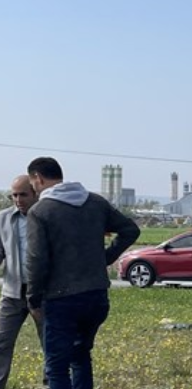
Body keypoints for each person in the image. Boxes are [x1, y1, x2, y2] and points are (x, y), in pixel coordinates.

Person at [25, 157, 140, 389]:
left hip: (61, 298)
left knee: (56, 367)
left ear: (38, 178)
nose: (34, 189)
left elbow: (36, 259)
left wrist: (33, 297)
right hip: (96, 295)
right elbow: (130, 229)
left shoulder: (40, 211)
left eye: (33, 183)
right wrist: (104, 258)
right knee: (80, 357)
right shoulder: (96, 202)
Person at [0, 175, 44, 388]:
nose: (18, 199)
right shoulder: (4, 219)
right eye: (14, 195)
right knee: (1, 341)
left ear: (35, 193)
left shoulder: (47, 216)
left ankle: (52, 383)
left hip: (44, 294)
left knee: (50, 343)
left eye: (23, 194)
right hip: (13, 292)